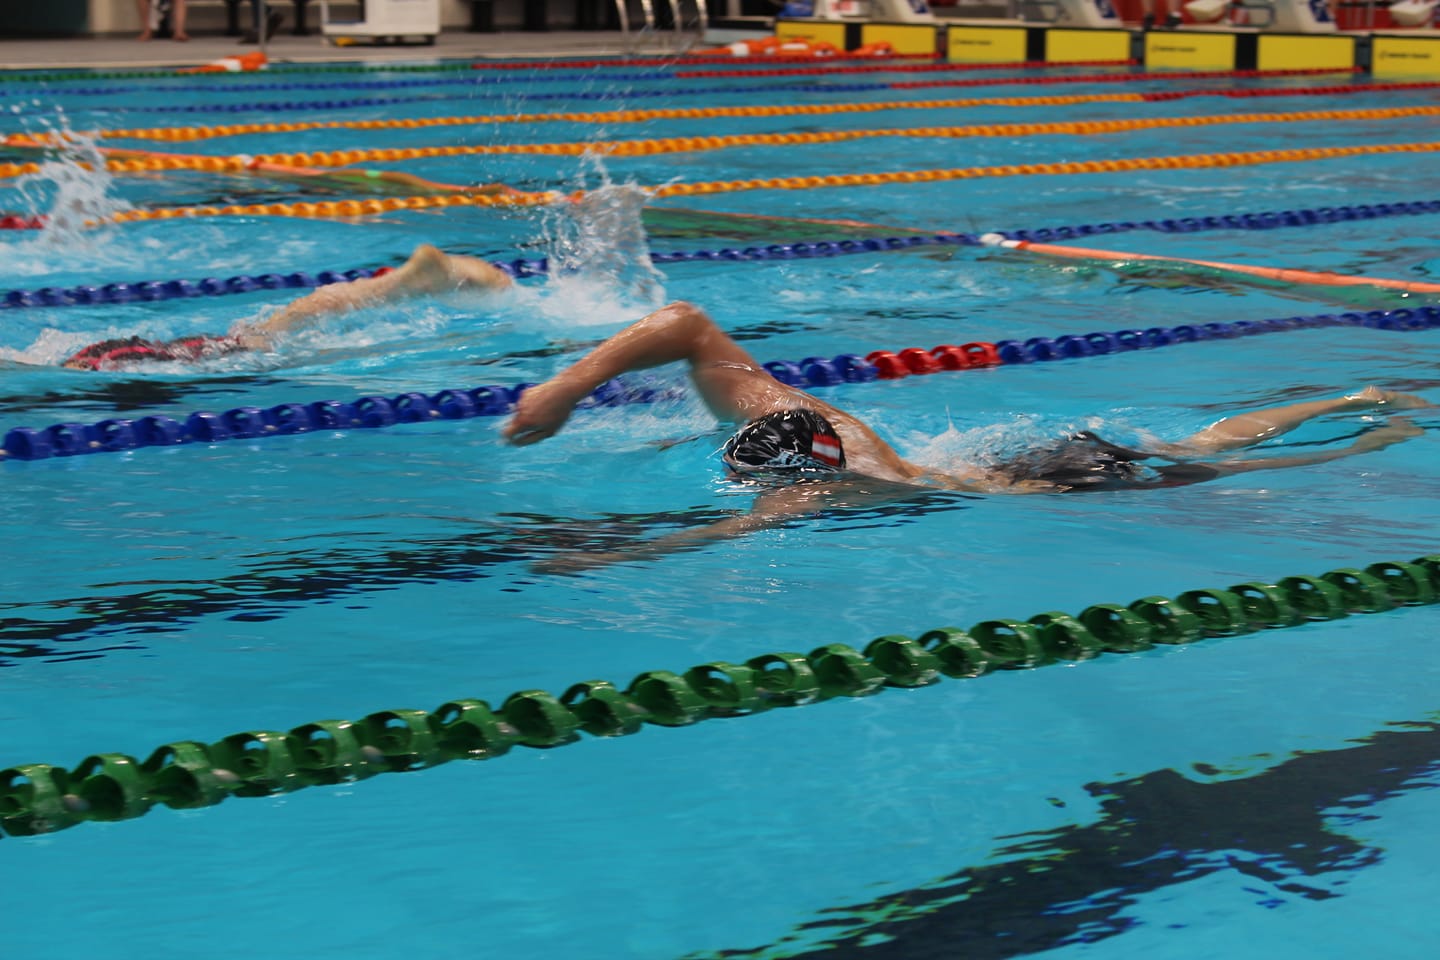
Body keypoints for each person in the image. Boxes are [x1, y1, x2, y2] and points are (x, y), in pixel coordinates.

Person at [503, 301, 1425, 567]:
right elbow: (686, 321)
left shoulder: (817, 482)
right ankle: (1356, 398)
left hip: (1055, 481)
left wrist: (617, 554)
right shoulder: (809, 422)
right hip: (1016, 461)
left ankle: (1356, 436)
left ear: (786, 469)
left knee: (1221, 465)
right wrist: (569, 387)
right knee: (1205, 444)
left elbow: (725, 533)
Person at [63, 244, 510, 371]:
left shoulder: (82, 369)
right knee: (294, 319)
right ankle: (413, 283)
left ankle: (411, 284)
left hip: (200, 357)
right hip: (191, 352)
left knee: (288, 325)